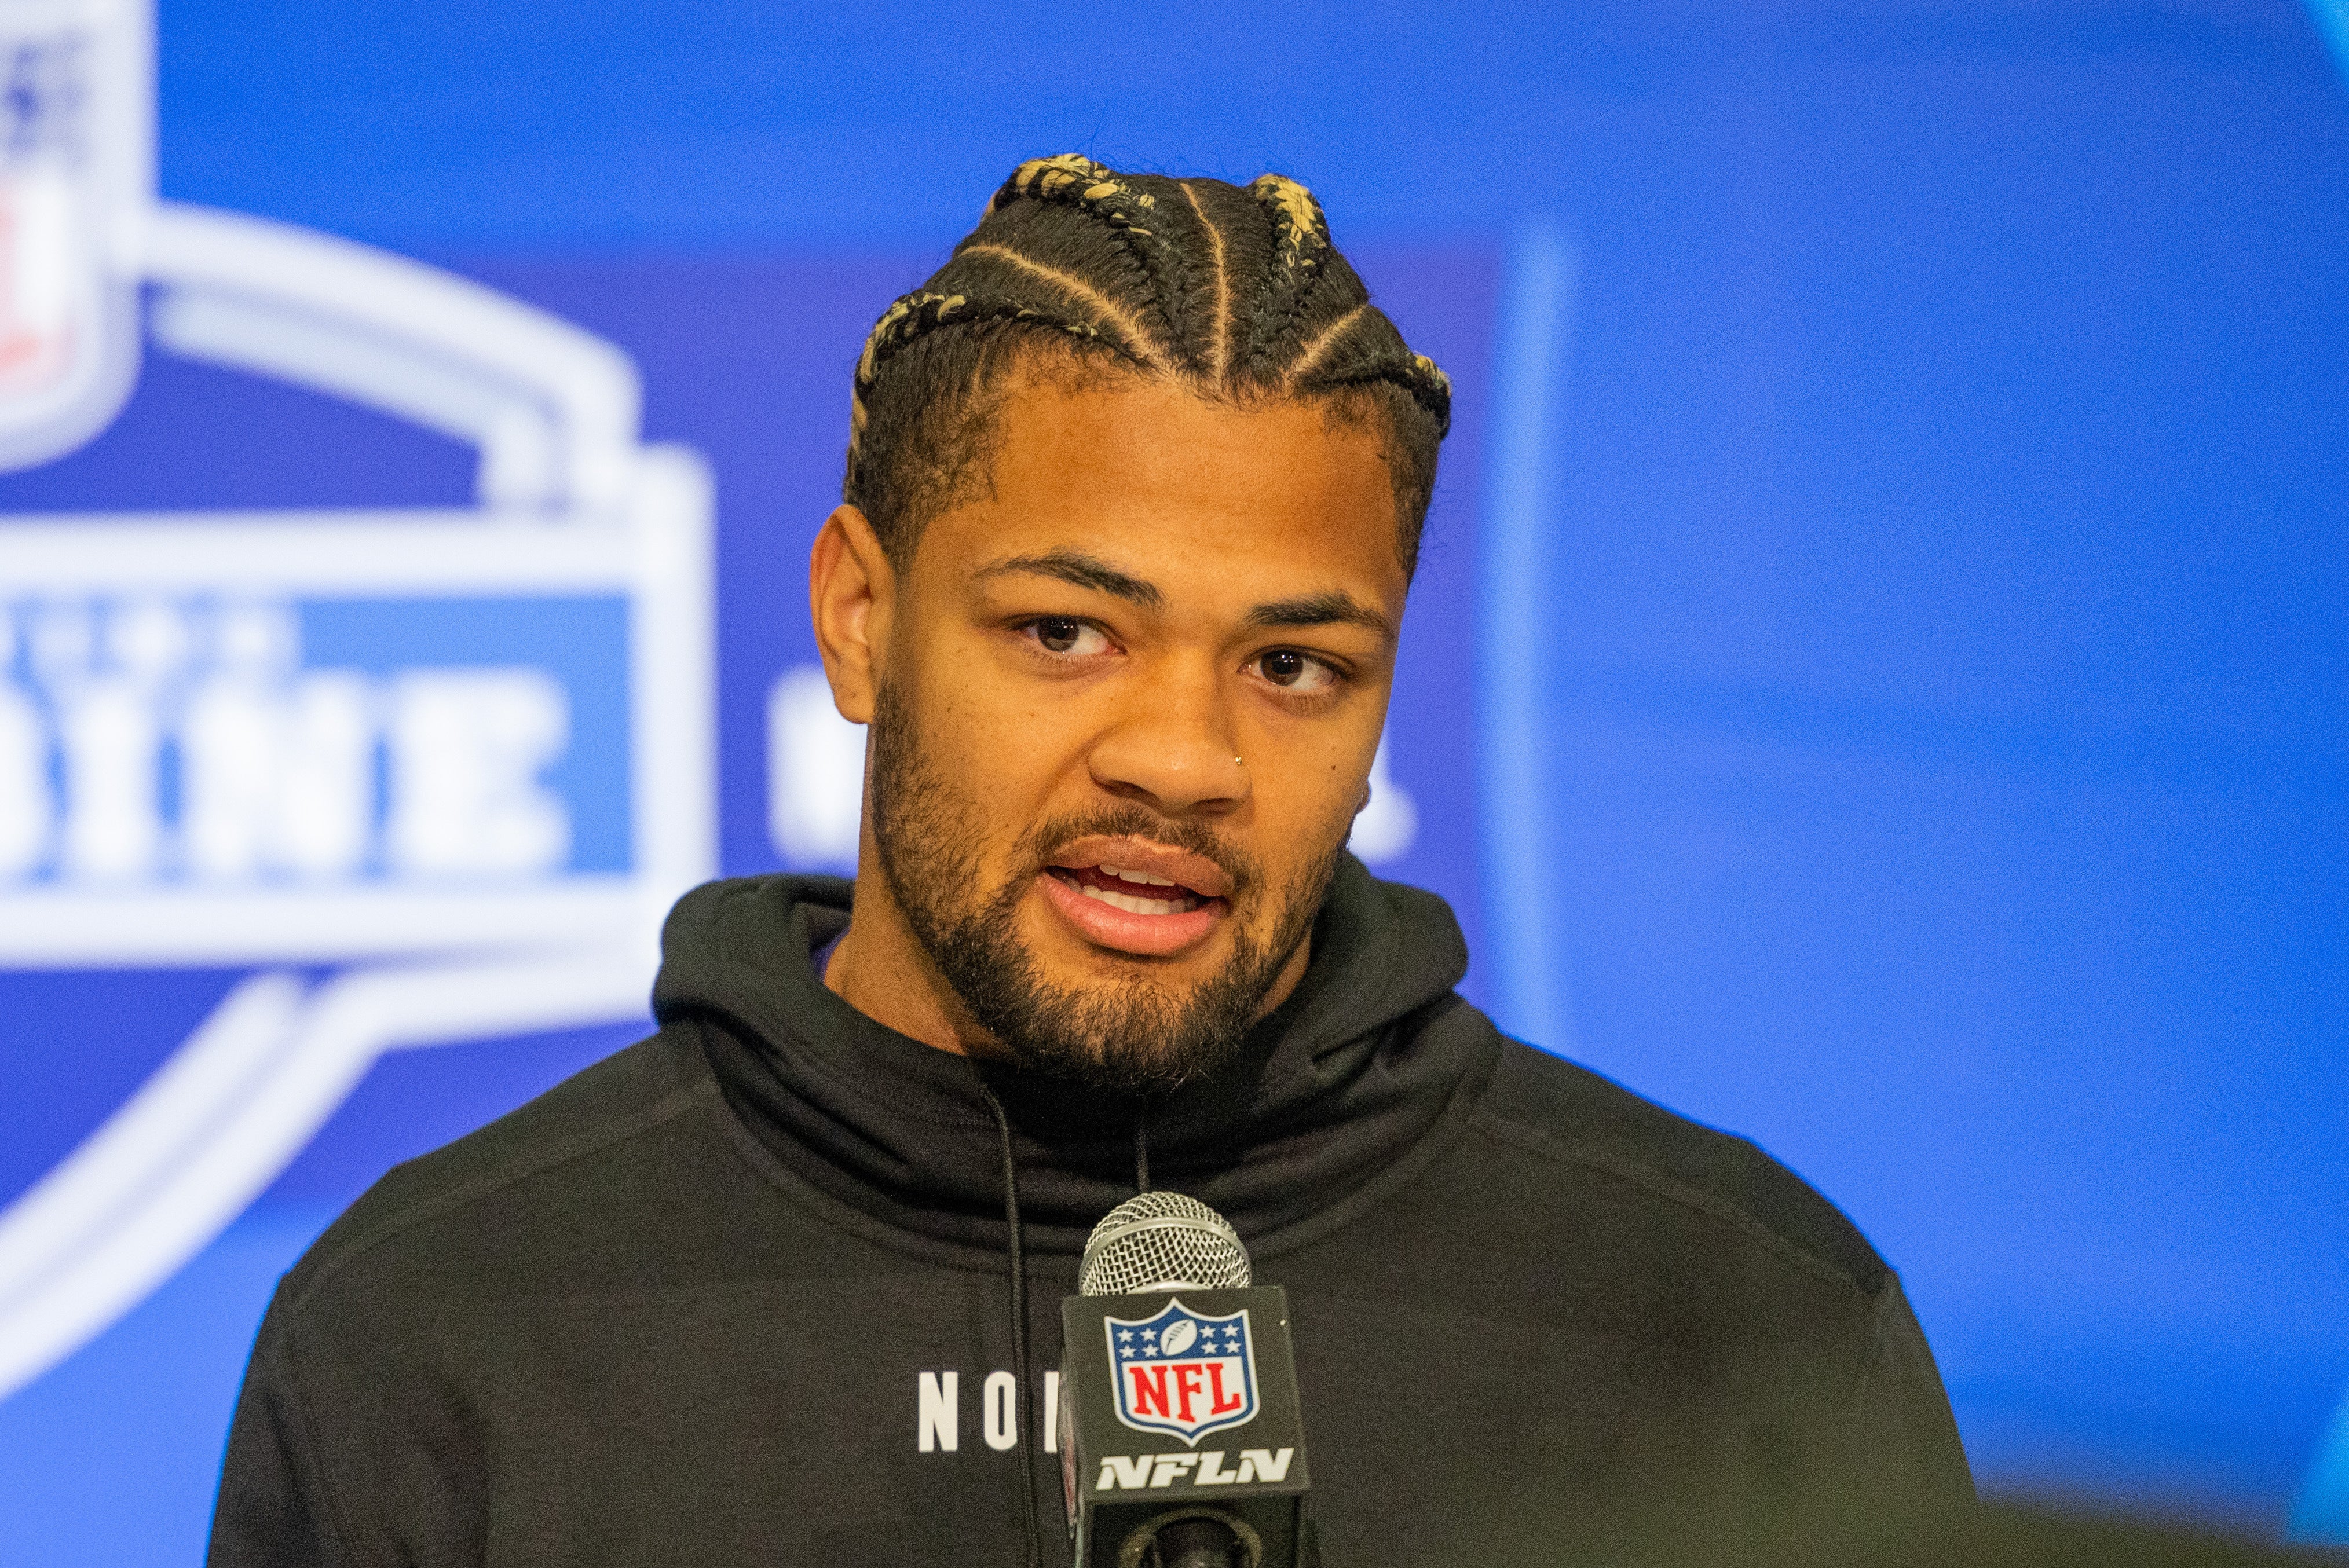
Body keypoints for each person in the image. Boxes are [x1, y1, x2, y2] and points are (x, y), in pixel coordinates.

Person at [208, 156, 1971, 1568]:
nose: (1185, 759)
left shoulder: (1744, 1325)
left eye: (1293, 667)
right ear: (859, 615)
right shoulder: (442, 1332)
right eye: (1067, 632)